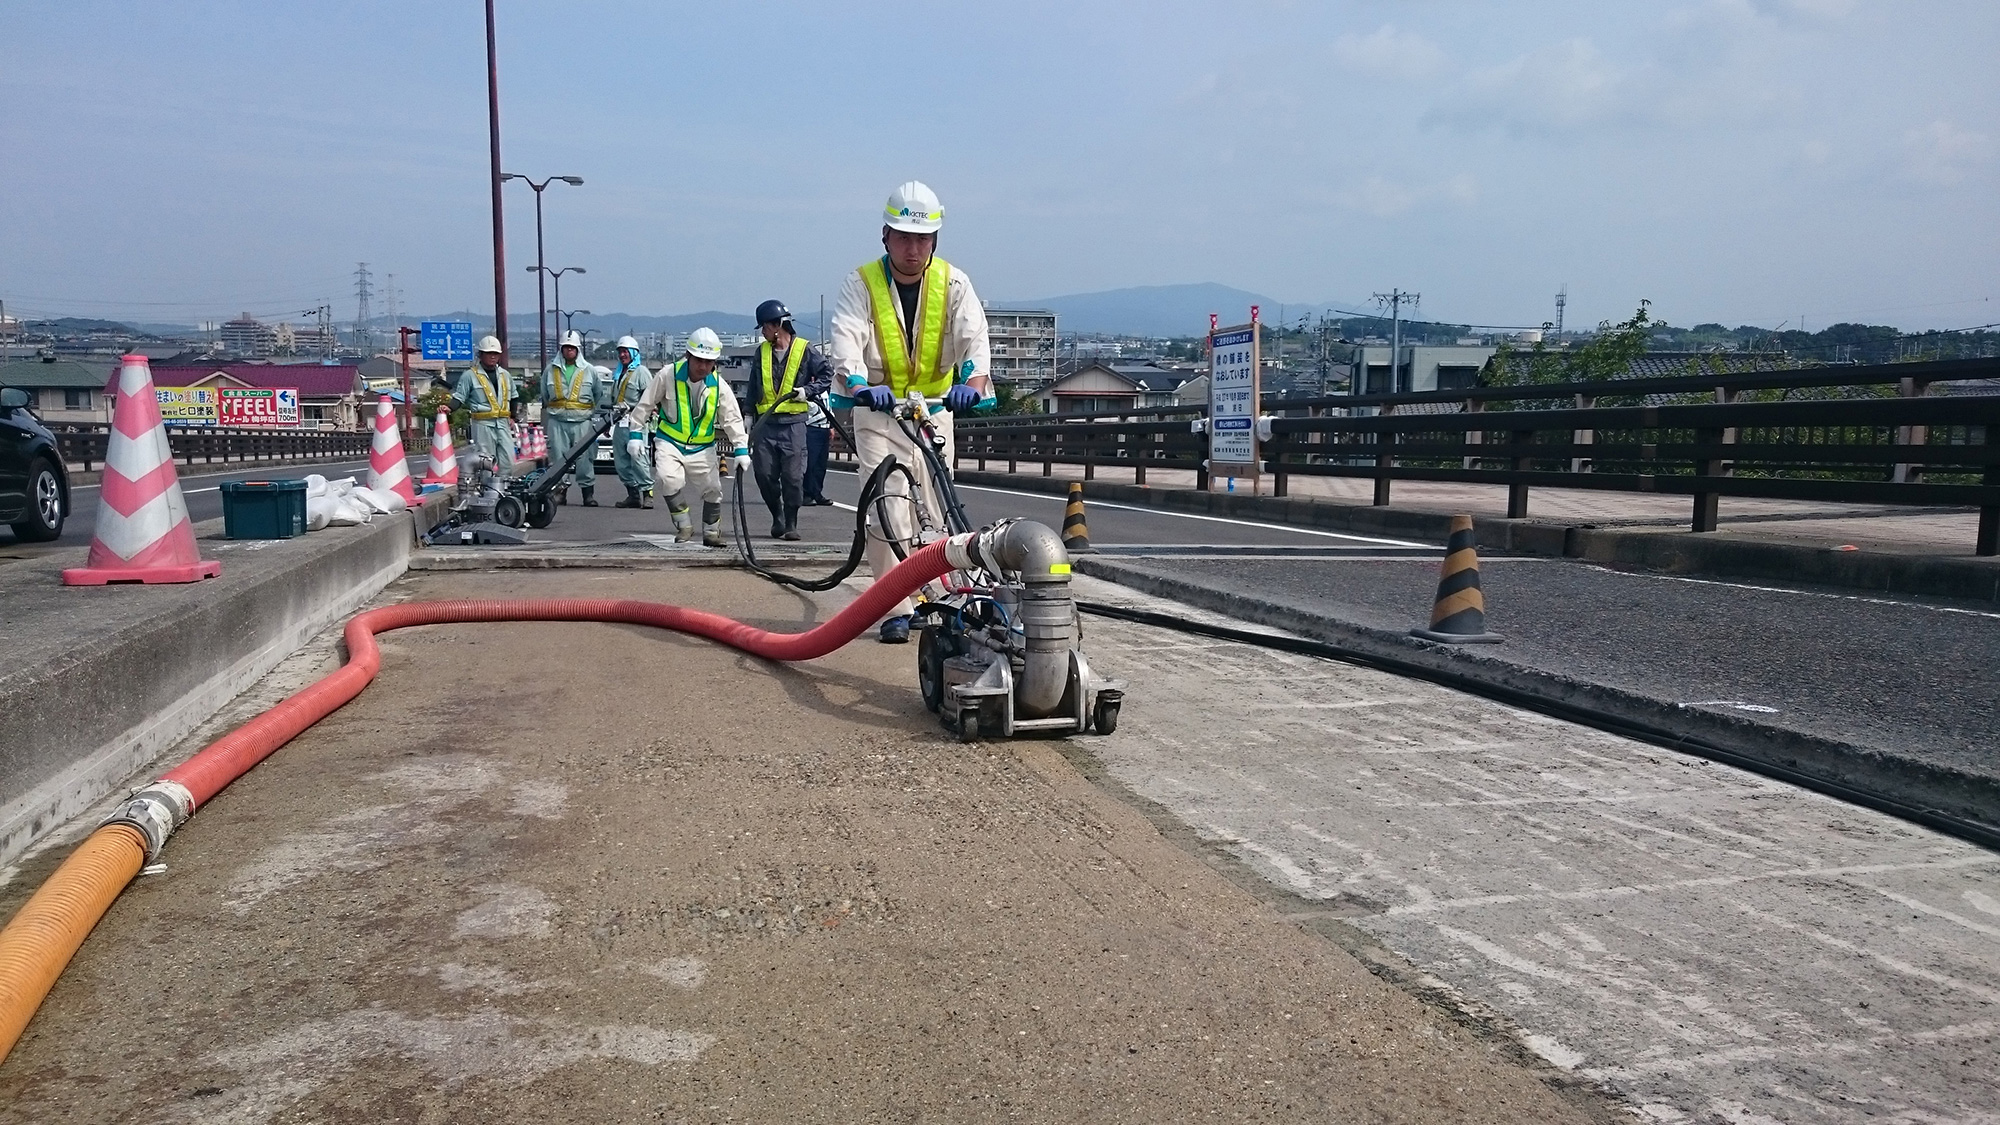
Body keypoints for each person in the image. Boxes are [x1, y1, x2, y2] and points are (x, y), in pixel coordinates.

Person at [828, 181, 994, 644]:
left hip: (936, 410)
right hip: (879, 411)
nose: (912, 247)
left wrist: (972, 385)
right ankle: (894, 606)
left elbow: (974, 339)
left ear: (934, 240)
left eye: (922, 239)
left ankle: (942, 596)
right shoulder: (861, 283)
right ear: (885, 236)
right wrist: (860, 384)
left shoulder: (953, 282)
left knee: (939, 506)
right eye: (903, 236)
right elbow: (846, 339)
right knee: (888, 505)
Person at [624, 328, 748, 547]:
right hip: (670, 441)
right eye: (699, 360)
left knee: (712, 489)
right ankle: (684, 526)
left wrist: (740, 449)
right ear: (688, 356)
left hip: (703, 447)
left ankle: (711, 532)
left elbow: (732, 419)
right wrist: (635, 433)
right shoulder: (667, 375)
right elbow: (646, 403)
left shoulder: (719, 385)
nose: (703, 366)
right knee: (668, 480)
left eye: (709, 362)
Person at [748, 299, 834, 541]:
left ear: (777, 325)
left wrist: (809, 390)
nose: (763, 332)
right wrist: (747, 415)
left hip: (794, 424)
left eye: (764, 327)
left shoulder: (804, 349)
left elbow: (828, 373)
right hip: (765, 424)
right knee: (764, 474)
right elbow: (754, 386)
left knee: (793, 477)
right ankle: (777, 516)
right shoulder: (761, 352)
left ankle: (791, 522)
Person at [540, 330, 604, 505]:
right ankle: (560, 492)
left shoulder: (589, 370)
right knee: (558, 459)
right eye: (566, 347)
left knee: (585, 458)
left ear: (578, 349)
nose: (569, 350)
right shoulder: (550, 369)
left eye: (572, 347)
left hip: (582, 421)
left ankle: (587, 494)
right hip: (557, 420)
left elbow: (598, 394)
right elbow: (544, 394)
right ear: (561, 348)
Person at [452, 335, 517, 472]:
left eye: (495, 354)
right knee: (486, 462)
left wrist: (513, 416)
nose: (492, 357)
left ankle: (504, 489)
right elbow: (459, 397)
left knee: (508, 461)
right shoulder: (469, 375)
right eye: (488, 353)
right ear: (480, 355)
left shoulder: (505, 375)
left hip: (503, 423)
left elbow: (514, 396)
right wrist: (448, 408)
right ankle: (488, 490)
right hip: (483, 424)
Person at [606, 335, 655, 508]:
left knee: (638, 458)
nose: (622, 355)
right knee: (621, 461)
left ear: (634, 353)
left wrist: (642, 414)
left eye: (626, 351)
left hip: (636, 421)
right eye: (620, 351)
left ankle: (647, 492)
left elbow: (650, 398)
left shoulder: (641, 372)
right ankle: (632, 494)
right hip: (620, 422)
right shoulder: (618, 373)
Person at [802, 390, 833, 507]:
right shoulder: (806, 390)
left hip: (824, 428)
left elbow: (829, 407)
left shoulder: (825, 391)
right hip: (810, 427)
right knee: (810, 463)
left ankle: (817, 493)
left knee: (821, 464)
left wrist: (831, 425)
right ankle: (805, 494)